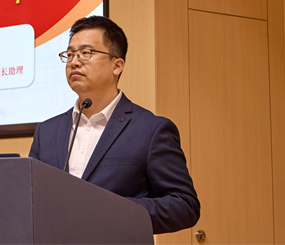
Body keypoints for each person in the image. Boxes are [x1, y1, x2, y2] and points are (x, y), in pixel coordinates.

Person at [29, 16, 200, 234]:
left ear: (117, 66)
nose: (74, 62)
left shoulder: (151, 130)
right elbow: (30, 198)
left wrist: (113, 209)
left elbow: (184, 206)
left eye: (86, 53)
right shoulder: (46, 132)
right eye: (70, 54)